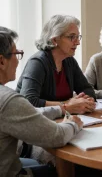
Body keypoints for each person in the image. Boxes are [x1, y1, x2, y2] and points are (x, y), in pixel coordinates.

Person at [0, 27, 83, 177]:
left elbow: (25, 113)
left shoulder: (70, 62)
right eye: (17, 54)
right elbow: (57, 136)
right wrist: (74, 123)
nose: (18, 62)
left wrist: (61, 109)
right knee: (70, 169)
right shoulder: (8, 99)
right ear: (1, 61)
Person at [16, 15, 96, 113]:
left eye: (78, 37)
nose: (78, 42)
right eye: (72, 37)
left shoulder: (69, 61)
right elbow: (28, 101)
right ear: (54, 40)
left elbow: (87, 89)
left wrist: (86, 100)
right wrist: (66, 105)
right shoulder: (37, 62)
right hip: (36, 122)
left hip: (61, 120)